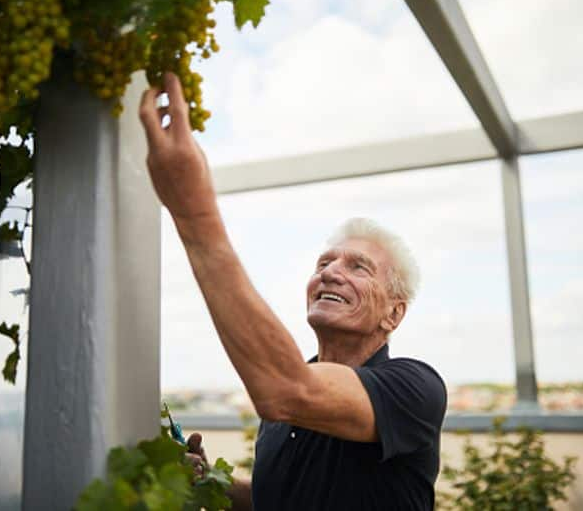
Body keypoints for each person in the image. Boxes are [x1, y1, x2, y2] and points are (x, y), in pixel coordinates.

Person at [138, 72, 447, 511]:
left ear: (393, 315)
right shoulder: (284, 401)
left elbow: (286, 389)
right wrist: (215, 484)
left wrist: (191, 209)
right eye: (324, 263)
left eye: (358, 266)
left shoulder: (414, 388)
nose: (331, 272)